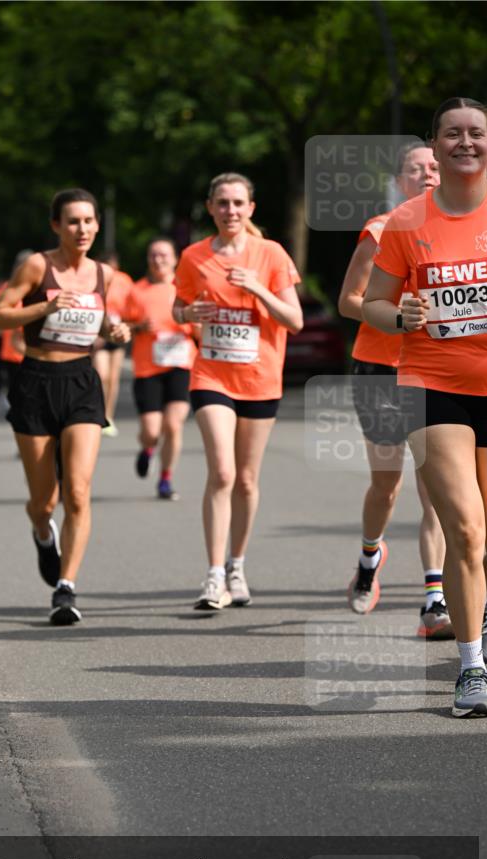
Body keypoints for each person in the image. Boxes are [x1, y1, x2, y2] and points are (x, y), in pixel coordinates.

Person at [363, 97, 487, 717]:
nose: (465, 142)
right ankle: (471, 670)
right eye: (452, 134)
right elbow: (371, 303)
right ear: (436, 147)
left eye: (476, 133)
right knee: (466, 529)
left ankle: (486, 602)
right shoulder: (407, 221)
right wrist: (400, 315)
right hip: (431, 384)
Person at [0, 188, 130, 625]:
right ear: (56, 226)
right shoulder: (38, 265)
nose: (81, 229)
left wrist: (114, 330)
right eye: (72, 221)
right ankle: (41, 532)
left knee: (78, 492)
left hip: (81, 383)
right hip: (35, 382)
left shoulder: (105, 274)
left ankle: (66, 588)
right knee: (44, 501)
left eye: (88, 221)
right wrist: (44, 307)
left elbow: (99, 321)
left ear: (97, 225)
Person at [174, 172, 303, 610]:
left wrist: (257, 287)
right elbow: (178, 307)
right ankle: (213, 576)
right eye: (223, 203)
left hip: (260, 378)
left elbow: (294, 320)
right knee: (223, 473)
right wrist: (188, 313)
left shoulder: (271, 254)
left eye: (238, 203)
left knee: (246, 480)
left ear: (251, 209)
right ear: (210, 208)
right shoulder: (193, 256)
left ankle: (237, 566)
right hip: (211, 376)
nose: (230, 210)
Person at [339, 143, 453, 638]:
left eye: (434, 166)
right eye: (416, 168)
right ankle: (370, 557)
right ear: (399, 180)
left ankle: (434, 600)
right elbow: (348, 301)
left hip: (437, 371)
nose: (427, 174)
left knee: (437, 492)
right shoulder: (381, 230)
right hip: (381, 370)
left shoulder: (459, 231)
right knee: (387, 487)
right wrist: (396, 314)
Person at [127, 238, 197, 500]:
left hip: (181, 365)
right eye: (153, 255)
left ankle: (165, 479)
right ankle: (148, 448)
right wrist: (138, 327)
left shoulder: (186, 289)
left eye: (164, 255)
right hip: (148, 369)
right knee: (151, 431)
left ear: (175, 259)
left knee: (174, 425)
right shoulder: (137, 291)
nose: (158, 260)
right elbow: (121, 326)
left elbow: (201, 329)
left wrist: (192, 325)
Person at [92, 252, 133, 437]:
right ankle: (98, 413)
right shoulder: (93, 279)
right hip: (100, 334)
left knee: (114, 377)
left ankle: (108, 417)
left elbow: (131, 306)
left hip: (117, 332)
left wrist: (125, 326)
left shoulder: (124, 280)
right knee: (102, 375)